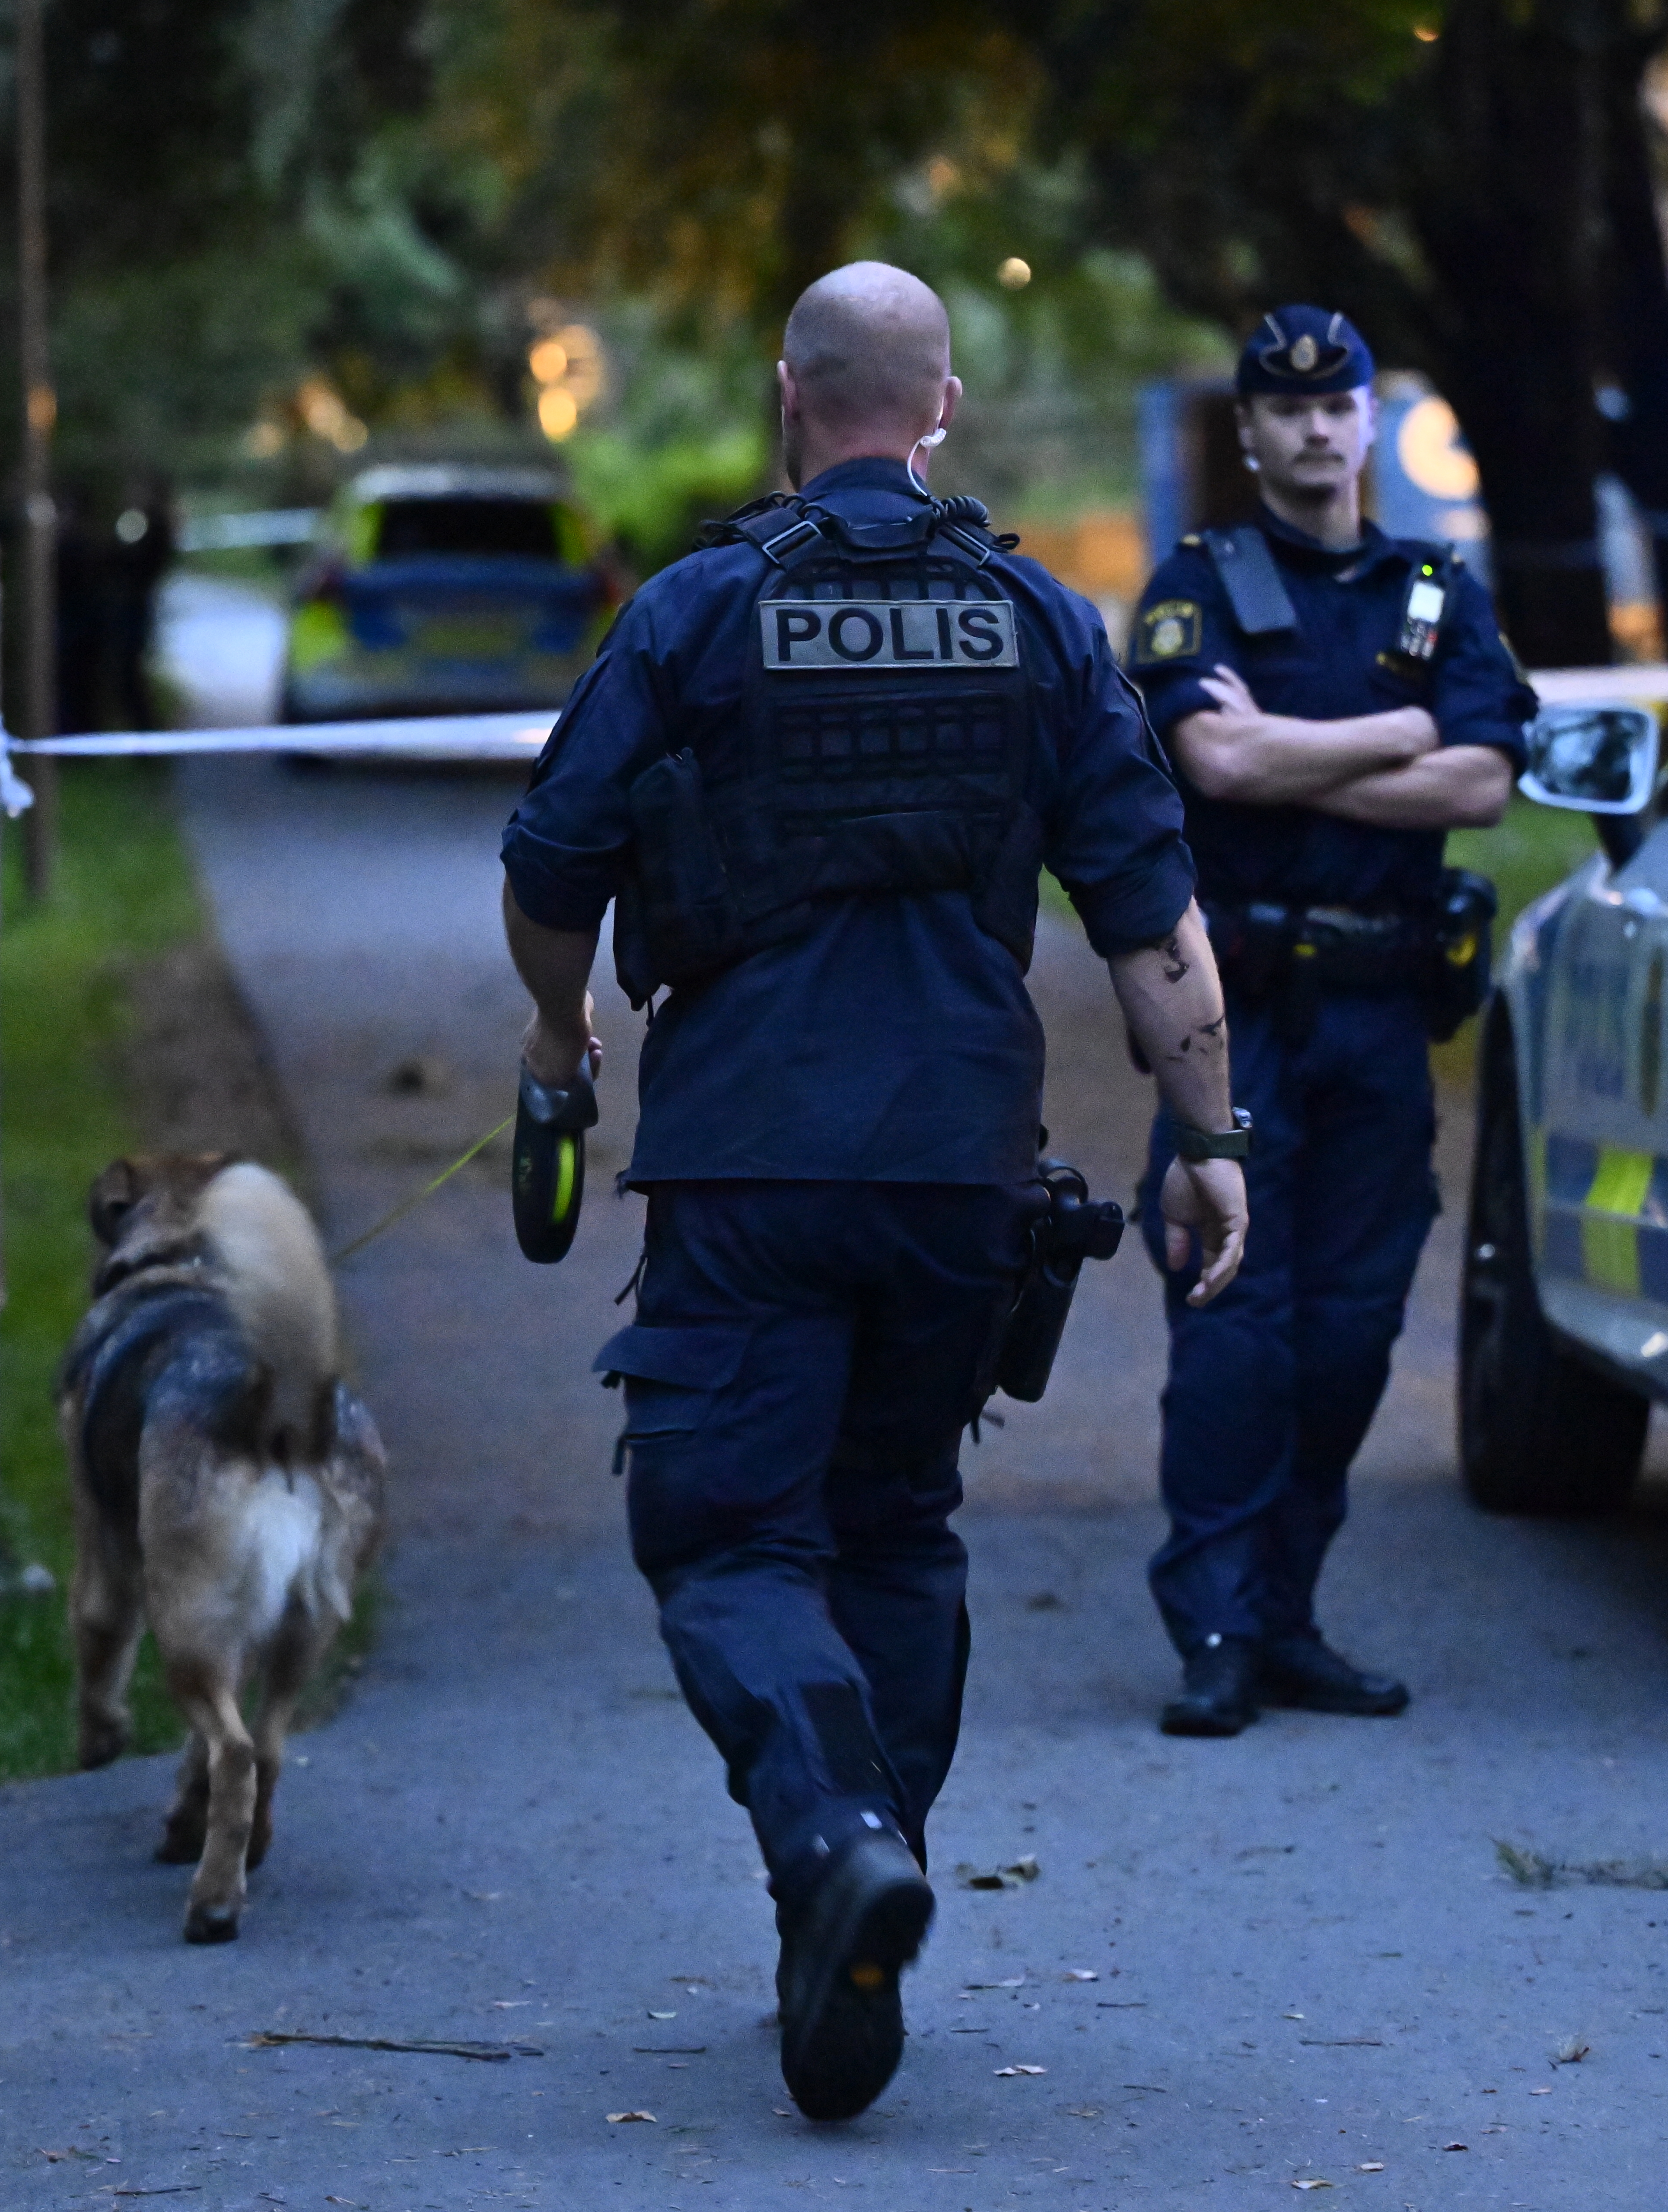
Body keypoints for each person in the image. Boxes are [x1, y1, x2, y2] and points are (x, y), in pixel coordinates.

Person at [498, 263, 1250, 2125]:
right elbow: (1154, 919)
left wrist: (556, 1040)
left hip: (748, 1157)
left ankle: (836, 1839)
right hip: (954, 1166)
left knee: (730, 1539)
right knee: (899, 1526)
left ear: (788, 394)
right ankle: (846, 1895)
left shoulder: (696, 611)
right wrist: (1214, 1137)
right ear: (944, 410)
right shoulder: (1040, 625)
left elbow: (551, 854)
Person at [1122, 305, 1531, 1739]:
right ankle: (1217, 1629)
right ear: (1248, 432)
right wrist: (1398, 735)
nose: (1311, 426)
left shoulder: (1437, 590)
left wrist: (1303, 760)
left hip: (1377, 1016)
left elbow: (1483, 787)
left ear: (1366, 420)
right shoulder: (1200, 586)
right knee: (1237, 1326)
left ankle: (1290, 1613)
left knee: (1352, 1334)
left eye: (1335, 404)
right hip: (1230, 1016)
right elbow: (1212, 761)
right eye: (1281, 409)